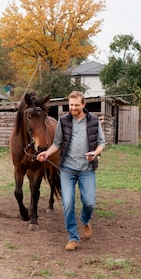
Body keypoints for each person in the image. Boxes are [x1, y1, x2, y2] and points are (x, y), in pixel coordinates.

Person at [36, 91, 105, 251]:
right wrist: (47, 152)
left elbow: (101, 143)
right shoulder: (64, 120)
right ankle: (73, 237)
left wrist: (94, 153)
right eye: (71, 105)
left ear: (83, 105)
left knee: (89, 202)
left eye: (76, 105)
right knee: (68, 204)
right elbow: (58, 143)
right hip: (67, 169)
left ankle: (86, 220)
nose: (73, 108)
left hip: (86, 169)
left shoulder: (93, 122)